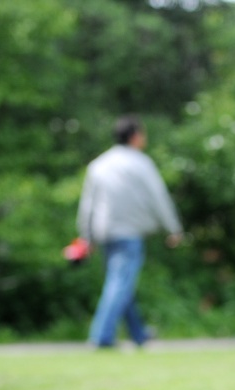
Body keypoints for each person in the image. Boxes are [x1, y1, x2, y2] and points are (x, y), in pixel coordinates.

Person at [77, 114, 183, 348]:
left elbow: (88, 204)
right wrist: (174, 228)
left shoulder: (99, 164)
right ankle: (102, 336)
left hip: (104, 233)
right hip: (129, 234)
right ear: (135, 137)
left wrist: (86, 236)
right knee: (120, 283)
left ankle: (138, 334)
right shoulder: (141, 163)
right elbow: (159, 198)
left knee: (120, 282)